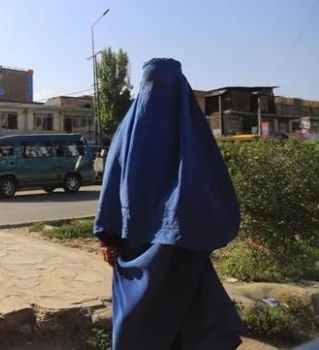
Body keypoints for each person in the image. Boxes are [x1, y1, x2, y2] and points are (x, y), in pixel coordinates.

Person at [93, 58, 247, 350]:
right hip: (167, 243)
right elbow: (114, 179)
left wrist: (108, 235)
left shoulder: (142, 129)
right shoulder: (178, 130)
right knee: (151, 319)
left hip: (178, 245)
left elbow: (112, 180)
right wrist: (107, 237)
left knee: (164, 320)